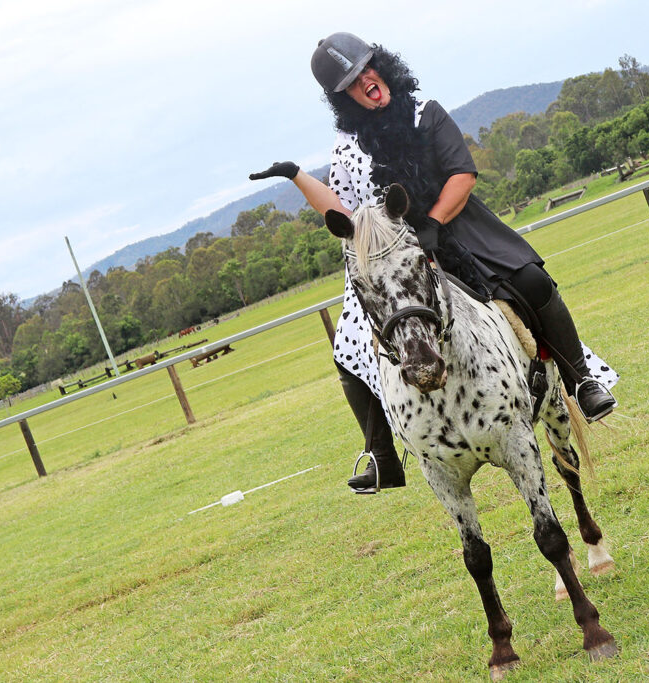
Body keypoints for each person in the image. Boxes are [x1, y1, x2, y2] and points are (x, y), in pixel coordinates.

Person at [248, 32, 617, 494]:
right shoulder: (347, 146)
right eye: (353, 82)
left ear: (382, 66)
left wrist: (433, 227)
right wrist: (297, 176)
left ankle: (582, 382)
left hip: (456, 226)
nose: (367, 81)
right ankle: (382, 455)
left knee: (532, 281)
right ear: (343, 97)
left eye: (368, 69)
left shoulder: (427, 114)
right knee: (349, 344)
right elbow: (342, 210)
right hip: (392, 254)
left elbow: (462, 175)